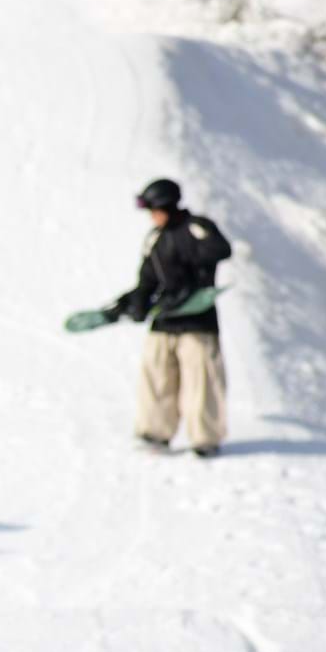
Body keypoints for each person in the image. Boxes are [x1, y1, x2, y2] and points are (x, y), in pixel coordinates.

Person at [102, 177, 233, 457]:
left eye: (154, 210)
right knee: (156, 377)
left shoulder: (196, 228)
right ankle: (154, 433)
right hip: (164, 321)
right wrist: (131, 303)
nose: (152, 216)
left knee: (201, 382)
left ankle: (205, 439)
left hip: (197, 320)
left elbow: (222, 250)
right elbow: (147, 281)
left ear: (166, 205)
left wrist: (189, 277)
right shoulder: (155, 238)